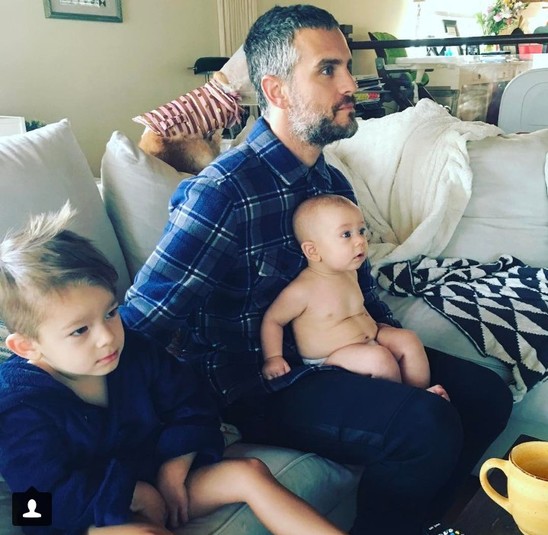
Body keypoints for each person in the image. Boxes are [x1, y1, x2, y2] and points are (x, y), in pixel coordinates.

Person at [121, 5, 513, 534]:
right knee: (425, 425)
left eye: (347, 66)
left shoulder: (331, 183)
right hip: (258, 382)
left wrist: (388, 338)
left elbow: (361, 288)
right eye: (328, 69)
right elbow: (143, 321)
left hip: (337, 354)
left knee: (487, 396)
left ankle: (422, 521)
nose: (351, 84)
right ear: (277, 90)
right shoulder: (223, 193)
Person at [0, 204, 344, 535]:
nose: (107, 337)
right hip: (85, 513)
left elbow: (191, 402)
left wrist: (175, 464)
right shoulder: (17, 406)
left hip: (155, 473)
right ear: (27, 346)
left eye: (110, 313)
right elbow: (34, 504)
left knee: (249, 473)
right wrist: (130, 493)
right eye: (80, 330)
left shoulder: (134, 350)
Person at [261, 194, 448, 398]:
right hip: (330, 360)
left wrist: (378, 329)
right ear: (313, 251)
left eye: (361, 231)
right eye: (346, 234)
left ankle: (422, 395)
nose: (360, 240)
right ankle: (401, 405)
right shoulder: (302, 290)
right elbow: (273, 320)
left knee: (408, 339)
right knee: (379, 359)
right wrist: (273, 357)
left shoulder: (350, 272)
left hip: (371, 339)